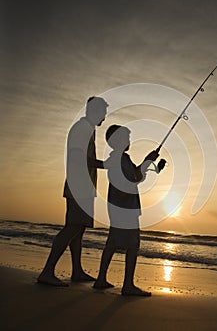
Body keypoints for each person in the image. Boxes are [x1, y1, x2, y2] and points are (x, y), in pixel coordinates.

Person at [38, 96, 108, 286]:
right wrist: (106, 164)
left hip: (83, 187)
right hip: (79, 187)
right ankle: (47, 271)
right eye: (103, 113)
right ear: (95, 111)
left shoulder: (88, 130)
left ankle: (77, 271)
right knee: (73, 227)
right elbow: (80, 158)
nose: (104, 118)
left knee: (79, 229)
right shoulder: (82, 129)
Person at [93, 125, 165, 296]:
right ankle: (127, 285)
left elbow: (136, 176)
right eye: (126, 138)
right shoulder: (119, 159)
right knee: (133, 245)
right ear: (117, 140)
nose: (128, 141)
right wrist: (147, 162)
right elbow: (132, 180)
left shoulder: (121, 158)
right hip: (125, 207)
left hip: (121, 206)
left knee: (112, 242)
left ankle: (101, 279)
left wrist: (148, 161)